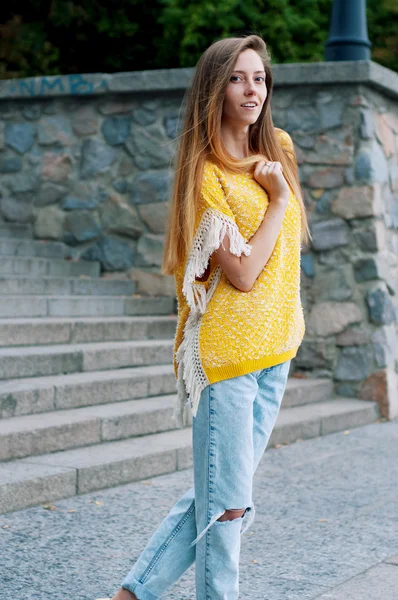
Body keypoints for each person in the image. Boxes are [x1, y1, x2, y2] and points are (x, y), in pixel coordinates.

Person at [110, 33, 309, 600]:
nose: (253, 90)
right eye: (238, 78)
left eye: (260, 78)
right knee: (228, 508)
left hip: (276, 351)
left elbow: (285, 253)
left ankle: (130, 596)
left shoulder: (280, 151)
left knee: (222, 496)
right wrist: (273, 201)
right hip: (225, 362)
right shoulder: (206, 177)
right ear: (214, 88)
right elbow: (242, 273)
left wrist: (276, 195)